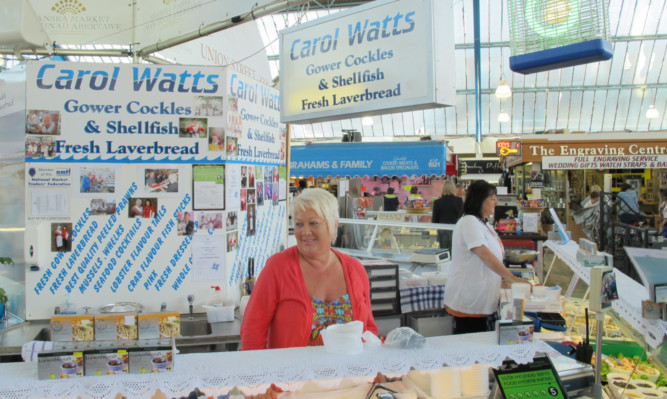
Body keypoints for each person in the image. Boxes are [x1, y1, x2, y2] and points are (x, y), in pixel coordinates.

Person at [241, 188, 378, 350]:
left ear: (333, 225)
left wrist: (375, 369)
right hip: (293, 374)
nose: (305, 232)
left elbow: (369, 329)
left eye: (313, 223)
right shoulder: (277, 268)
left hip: (350, 374)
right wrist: (260, 373)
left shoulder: (355, 269)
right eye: (299, 224)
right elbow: (253, 330)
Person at [443, 180, 531, 334]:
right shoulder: (468, 222)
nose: (496, 201)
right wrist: (511, 278)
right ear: (479, 200)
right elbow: (484, 254)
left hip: (482, 299)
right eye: (492, 198)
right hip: (469, 300)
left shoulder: (484, 224)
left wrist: (503, 282)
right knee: (470, 347)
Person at [432, 180, 463, 249]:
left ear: (442, 189)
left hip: (442, 231)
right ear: (453, 189)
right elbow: (462, 217)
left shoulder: (437, 202)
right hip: (456, 230)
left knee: (444, 252)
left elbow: (434, 221)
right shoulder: (459, 201)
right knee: (455, 251)